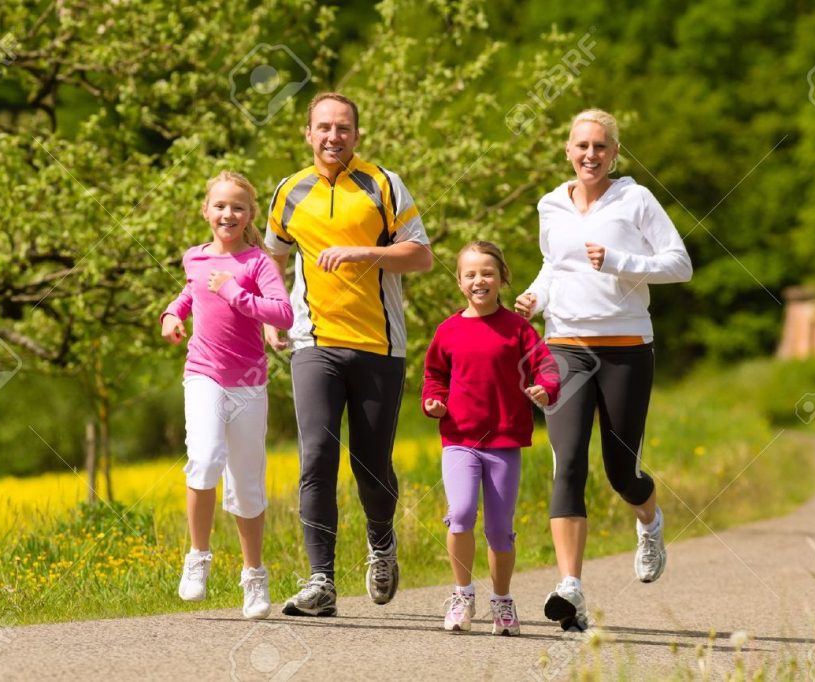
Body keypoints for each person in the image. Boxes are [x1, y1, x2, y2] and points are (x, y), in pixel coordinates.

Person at [514, 108, 693, 631]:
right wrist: (535, 296)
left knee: (621, 470)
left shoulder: (636, 199)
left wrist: (620, 261)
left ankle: (649, 519)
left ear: (615, 153)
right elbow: (554, 265)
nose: (590, 155)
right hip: (565, 346)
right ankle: (570, 587)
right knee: (567, 462)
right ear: (568, 150)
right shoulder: (551, 203)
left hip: (626, 346)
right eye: (581, 146)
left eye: (601, 147)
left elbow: (679, 264)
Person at [263, 92, 433, 616]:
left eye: (343, 128)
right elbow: (271, 254)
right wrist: (273, 314)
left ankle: (381, 545)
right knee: (315, 457)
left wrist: (366, 253)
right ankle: (321, 582)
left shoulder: (383, 183)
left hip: (380, 345)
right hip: (314, 343)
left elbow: (421, 256)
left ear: (356, 135)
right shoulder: (289, 191)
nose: (333, 136)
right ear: (307, 134)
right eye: (324, 127)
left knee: (371, 464)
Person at [160, 171, 293, 619]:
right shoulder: (194, 259)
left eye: (237, 207)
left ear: (250, 215)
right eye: (219, 206)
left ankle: (254, 575)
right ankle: (198, 557)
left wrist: (235, 292)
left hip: (249, 382)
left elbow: (283, 312)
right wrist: (171, 314)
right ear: (206, 211)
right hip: (203, 374)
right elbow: (190, 292)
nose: (228, 214)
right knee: (205, 456)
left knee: (246, 485)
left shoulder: (257, 264)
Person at [422, 241, 559, 635]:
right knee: (461, 512)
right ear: (460, 281)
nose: (479, 280)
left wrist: (545, 389)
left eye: (487, 273)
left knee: (500, 529)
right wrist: (433, 401)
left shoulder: (518, 329)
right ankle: (462, 594)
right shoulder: (448, 331)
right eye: (470, 274)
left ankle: (502, 601)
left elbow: (545, 367)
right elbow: (434, 376)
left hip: (503, 440)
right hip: (460, 438)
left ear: (502, 279)